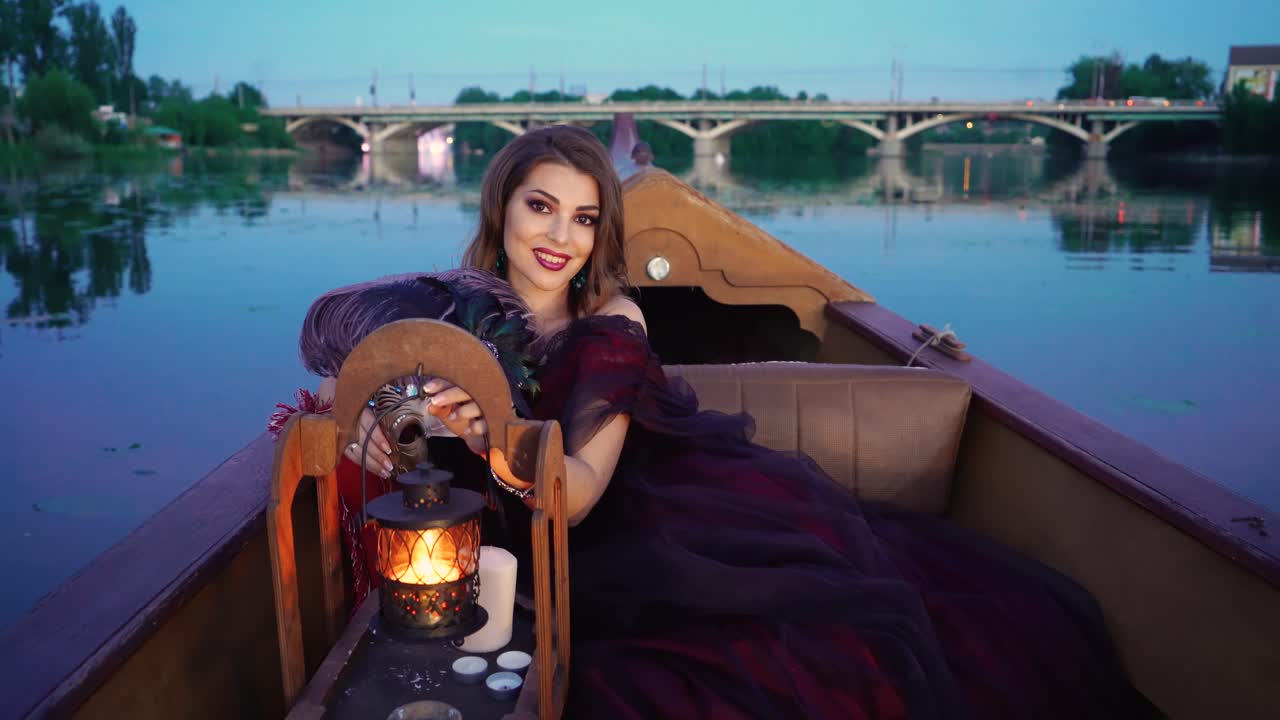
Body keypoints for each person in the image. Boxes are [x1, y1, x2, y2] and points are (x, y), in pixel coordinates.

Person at [286, 125, 1156, 719]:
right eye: (541, 207)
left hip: (637, 526)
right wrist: (377, 427)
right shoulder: (450, 309)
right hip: (496, 539)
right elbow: (384, 403)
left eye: (586, 219)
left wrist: (486, 437)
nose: (562, 238)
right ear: (500, 207)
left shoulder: (612, 324)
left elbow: (582, 494)